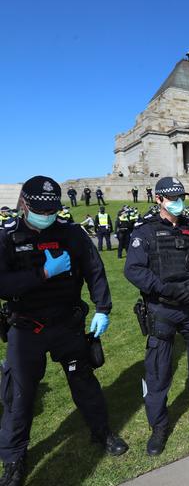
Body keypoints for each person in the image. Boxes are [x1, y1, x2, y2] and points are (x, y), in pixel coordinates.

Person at [0, 176, 128, 484]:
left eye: (52, 210)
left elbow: (95, 271)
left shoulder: (72, 233)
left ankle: (102, 433)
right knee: (20, 395)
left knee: (84, 381)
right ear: (24, 205)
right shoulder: (6, 238)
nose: (47, 216)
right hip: (26, 329)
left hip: (66, 323)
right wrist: (43, 272)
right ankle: (14, 458)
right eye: (40, 210)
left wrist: (102, 308)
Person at [124, 176, 189, 456]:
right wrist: (164, 290)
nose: (178, 202)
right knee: (158, 370)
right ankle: (158, 426)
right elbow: (134, 270)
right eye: (173, 197)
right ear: (158, 199)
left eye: (181, 196)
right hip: (162, 309)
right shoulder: (145, 232)